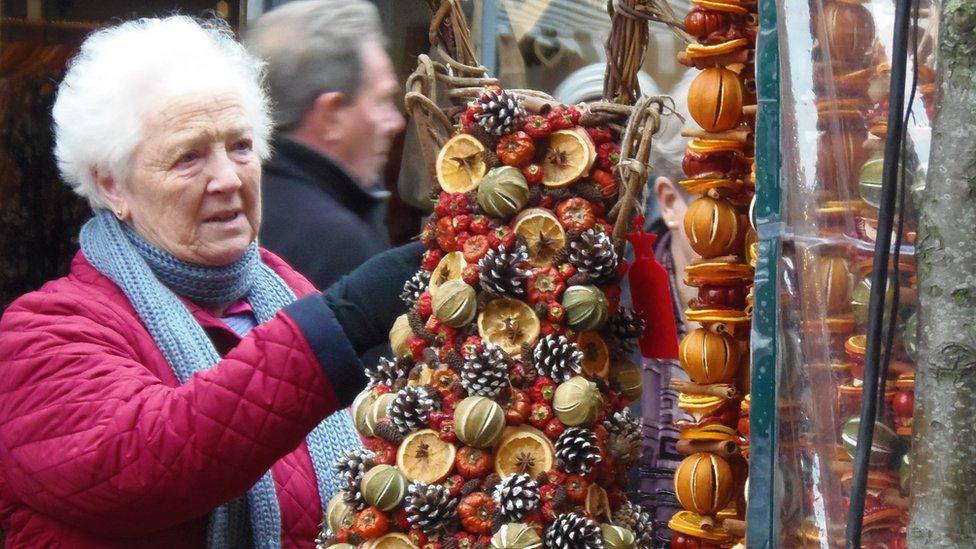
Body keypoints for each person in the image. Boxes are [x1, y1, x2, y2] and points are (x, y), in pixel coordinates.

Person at [0, 17, 420, 547]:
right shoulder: (42, 335)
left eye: (241, 147)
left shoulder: (293, 296)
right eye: (189, 156)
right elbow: (152, 458)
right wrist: (343, 321)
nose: (227, 178)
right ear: (112, 184)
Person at [244, 0, 406, 292]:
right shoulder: (340, 245)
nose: (395, 122)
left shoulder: (237, 206)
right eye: (382, 101)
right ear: (331, 114)